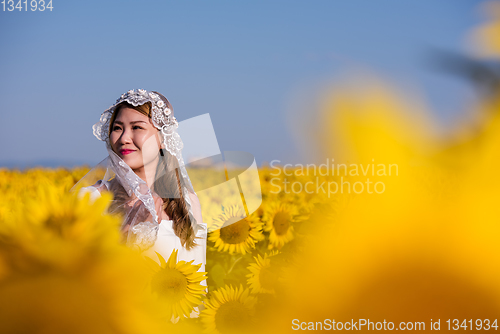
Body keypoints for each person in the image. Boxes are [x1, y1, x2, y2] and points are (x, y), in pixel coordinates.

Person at [72, 89, 207, 316]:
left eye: (137, 127)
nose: (124, 137)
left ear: (163, 138)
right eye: (117, 128)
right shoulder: (90, 199)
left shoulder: (186, 202)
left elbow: (197, 289)